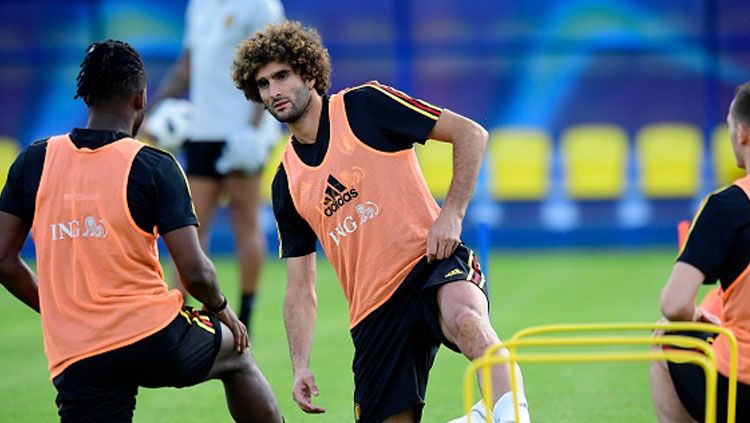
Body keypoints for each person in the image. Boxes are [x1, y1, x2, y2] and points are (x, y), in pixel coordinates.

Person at [231, 21, 530, 423]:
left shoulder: (365, 105)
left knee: (468, 321)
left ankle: (512, 415)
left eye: (282, 76)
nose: (275, 91)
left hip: (431, 262)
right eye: (264, 84)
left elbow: (470, 134)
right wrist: (300, 365)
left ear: (310, 73)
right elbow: (300, 288)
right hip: (373, 312)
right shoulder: (286, 181)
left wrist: (451, 214)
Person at [0, 39, 282, 423]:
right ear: (139, 98)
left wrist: (54, 309)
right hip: (153, 336)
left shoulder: (34, 161)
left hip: (78, 351)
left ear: (86, 98)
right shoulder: (154, 165)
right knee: (236, 354)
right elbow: (195, 271)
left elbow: (3, 259)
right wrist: (222, 310)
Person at [152, 0, 285, 332]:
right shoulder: (199, 5)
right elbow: (188, 63)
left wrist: (254, 128)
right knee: (192, 225)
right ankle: (178, 313)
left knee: (245, 220)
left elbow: (272, 65)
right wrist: (152, 109)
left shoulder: (261, 5)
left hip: (242, 133)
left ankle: (246, 314)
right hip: (203, 130)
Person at [650, 82, 750, 422]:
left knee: (667, 333)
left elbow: (675, 303)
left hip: (742, 383)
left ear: (742, 134)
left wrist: (695, 318)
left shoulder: (727, 206)